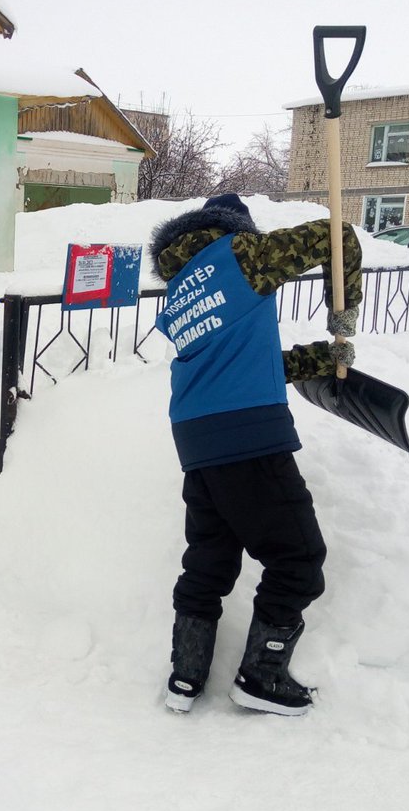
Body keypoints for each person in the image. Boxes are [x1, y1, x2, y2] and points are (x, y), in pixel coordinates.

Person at [149, 194, 361, 716]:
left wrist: (322, 357)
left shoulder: (181, 291)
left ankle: (186, 675)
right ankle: (261, 675)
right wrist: (344, 311)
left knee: (209, 560)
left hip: (197, 440)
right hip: (247, 435)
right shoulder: (242, 255)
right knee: (299, 560)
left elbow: (241, 361)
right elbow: (342, 237)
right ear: (235, 229)